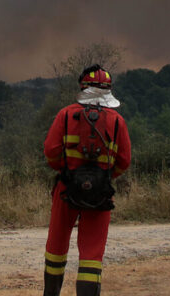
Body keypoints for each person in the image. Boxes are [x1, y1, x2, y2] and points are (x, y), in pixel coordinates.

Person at [42, 64, 133, 296]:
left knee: (56, 245)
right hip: (100, 194)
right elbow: (124, 161)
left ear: (83, 87)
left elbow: (51, 151)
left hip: (66, 188)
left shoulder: (65, 115)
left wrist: (66, 171)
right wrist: (105, 177)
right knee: (92, 256)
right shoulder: (116, 120)